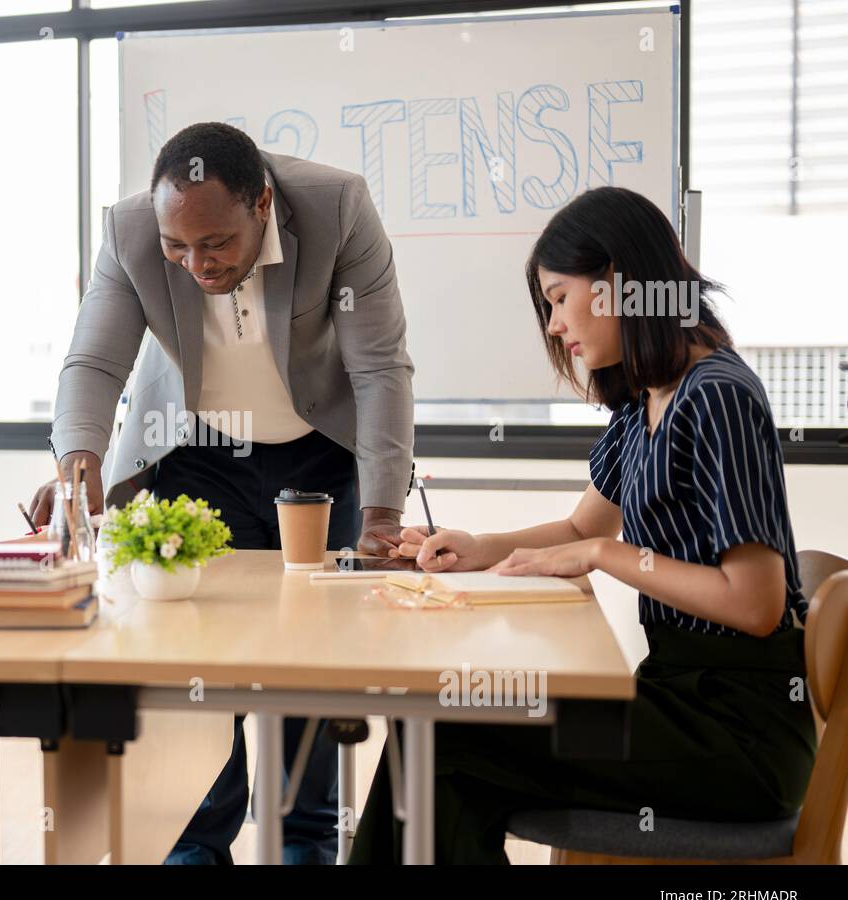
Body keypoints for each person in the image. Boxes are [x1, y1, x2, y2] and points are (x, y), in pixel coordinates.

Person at [350, 186, 817, 864]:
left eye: (559, 298)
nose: (553, 326)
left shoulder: (716, 397)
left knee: (441, 739)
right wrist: (481, 547)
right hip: (679, 701)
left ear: (620, 283)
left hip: (737, 736)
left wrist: (605, 553)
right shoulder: (647, 398)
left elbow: (755, 602)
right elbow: (579, 528)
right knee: (438, 738)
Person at [30, 122, 415, 863]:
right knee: (197, 652)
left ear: (263, 203)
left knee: (311, 654)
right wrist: (76, 477)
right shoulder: (133, 230)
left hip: (321, 453)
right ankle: (197, 845)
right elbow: (92, 363)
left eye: (215, 245)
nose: (195, 263)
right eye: (180, 248)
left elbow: (379, 370)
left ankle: (306, 842)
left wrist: (383, 516)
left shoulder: (336, 207)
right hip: (197, 452)